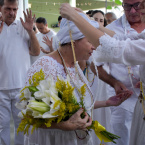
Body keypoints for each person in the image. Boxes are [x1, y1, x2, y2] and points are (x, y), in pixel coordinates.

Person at [23, 13, 132, 145]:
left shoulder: (73, 65)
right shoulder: (45, 67)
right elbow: (29, 115)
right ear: (73, 41)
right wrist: (64, 125)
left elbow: (77, 107)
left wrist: (107, 103)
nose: (94, 46)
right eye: (90, 41)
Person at [59, 1, 145, 145]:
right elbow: (120, 39)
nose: (135, 11)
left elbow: (116, 48)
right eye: (129, 6)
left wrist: (75, 17)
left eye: (139, 6)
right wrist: (88, 21)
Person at [0, 0, 40, 145]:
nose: (11, 13)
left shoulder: (24, 27)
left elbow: (36, 52)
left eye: (14, 9)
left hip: (21, 87)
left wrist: (30, 30)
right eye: (8, 9)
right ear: (1, 8)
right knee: (1, 127)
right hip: (0, 88)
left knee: (22, 127)